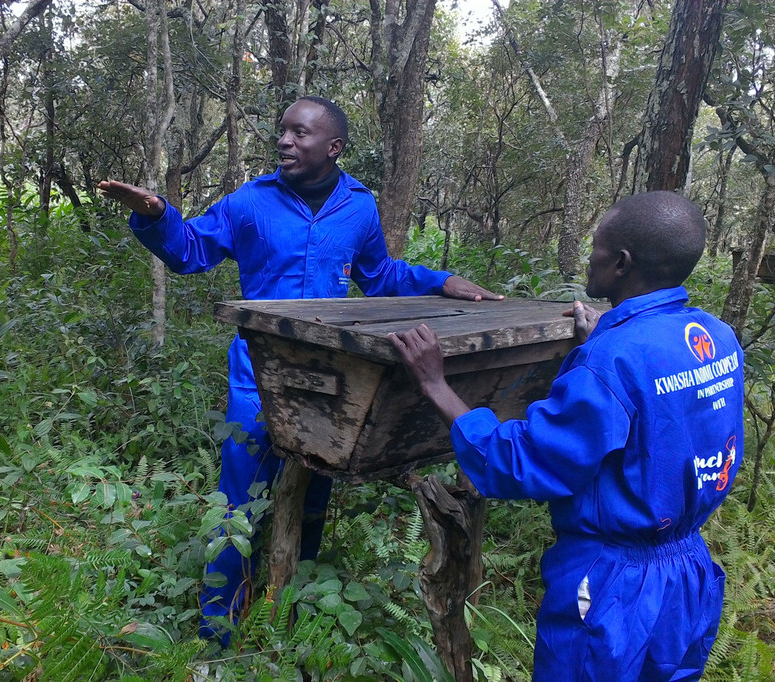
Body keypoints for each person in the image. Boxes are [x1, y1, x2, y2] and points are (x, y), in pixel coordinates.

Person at [99, 95, 500, 642]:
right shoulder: (252, 202)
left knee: (312, 493)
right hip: (258, 379)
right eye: (282, 132)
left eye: (299, 133)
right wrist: (156, 215)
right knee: (239, 503)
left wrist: (441, 280)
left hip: (333, 380)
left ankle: (291, 615)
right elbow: (191, 250)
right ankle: (219, 631)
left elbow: (378, 274)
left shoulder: (359, 206)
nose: (284, 141)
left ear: (332, 147)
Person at [389, 191, 744, 681]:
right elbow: (657, 405)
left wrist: (435, 384)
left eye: (596, 247)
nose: (588, 255)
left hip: (612, 585)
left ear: (621, 263)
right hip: (688, 575)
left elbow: (520, 464)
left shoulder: (611, 362)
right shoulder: (716, 337)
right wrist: (603, 336)